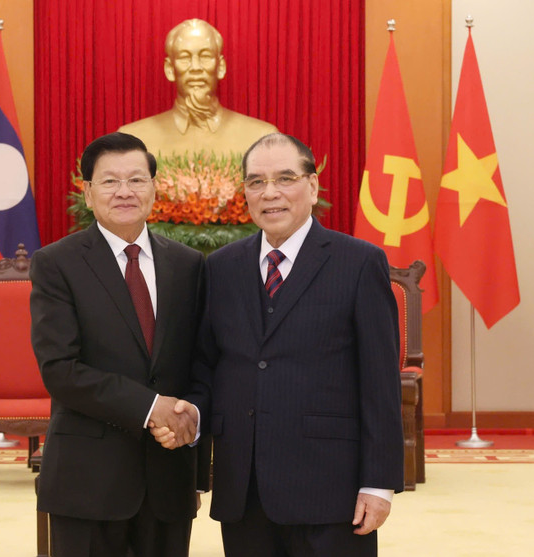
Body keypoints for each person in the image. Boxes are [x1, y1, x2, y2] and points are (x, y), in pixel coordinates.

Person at [153, 133, 404, 556]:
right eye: (256, 182)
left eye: (285, 178)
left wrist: (378, 484)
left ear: (313, 186)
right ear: (245, 193)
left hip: (331, 488)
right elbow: (207, 367)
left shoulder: (359, 262)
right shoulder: (221, 267)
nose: (270, 193)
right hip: (243, 487)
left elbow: (380, 381)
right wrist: (192, 414)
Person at [30, 132, 206, 557]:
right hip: (87, 481)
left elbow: (203, 363)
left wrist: (192, 417)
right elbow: (60, 370)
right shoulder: (56, 264)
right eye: (110, 181)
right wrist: (150, 407)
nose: (124, 191)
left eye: (136, 180)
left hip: (169, 478)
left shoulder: (188, 265)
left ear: (154, 188)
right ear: (88, 192)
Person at [118, 18, 277, 157]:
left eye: (205, 56)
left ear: (221, 66)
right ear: (169, 69)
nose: (195, 67)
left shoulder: (261, 138)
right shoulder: (132, 141)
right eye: (184, 57)